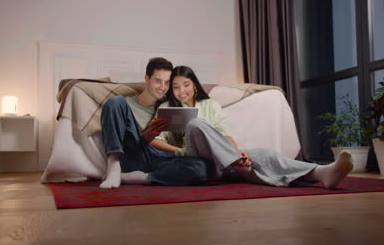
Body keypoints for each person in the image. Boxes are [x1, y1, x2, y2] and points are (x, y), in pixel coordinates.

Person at [150, 65, 354, 189]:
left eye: (185, 84)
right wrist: (179, 150)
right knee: (196, 123)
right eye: (175, 87)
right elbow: (155, 140)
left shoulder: (210, 105)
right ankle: (238, 165)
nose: (181, 91)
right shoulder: (167, 108)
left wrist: (238, 153)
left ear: (194, 85)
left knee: (265, 154)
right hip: (196, 163)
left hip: (224, 163)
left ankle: (322, 173)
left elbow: (225, 134)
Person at [99, 58, 208, 189]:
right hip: (135, 156)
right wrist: (147, 135)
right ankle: (113, 167)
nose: (162, 88)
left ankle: (140, 178)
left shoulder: (168, 106)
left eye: (167, 83)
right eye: (158, 81)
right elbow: (131, 146)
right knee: (115, 101)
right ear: (147, 79)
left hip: (163, 160)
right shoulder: (124, 106)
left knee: (201, 168)